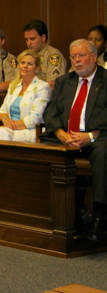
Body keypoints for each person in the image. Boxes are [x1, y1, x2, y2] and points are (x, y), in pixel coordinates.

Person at [40, 39, 107, 242]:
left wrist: (90, 136)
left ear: (94, 57)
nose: (78, 61)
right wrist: (61, 134)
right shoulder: (64, 81)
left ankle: (100, 217)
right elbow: (50, 112)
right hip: (67, 138)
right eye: (74, 57)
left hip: (98, 137)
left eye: (82, 55)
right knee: (42, 150)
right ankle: (65, 212)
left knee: (103, 153)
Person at [0, 50, 51, 142]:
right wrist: (6, 120)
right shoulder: (13, 85)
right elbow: (2, 110)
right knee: (0, 134)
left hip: (31, 131)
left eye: (30, 64)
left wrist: (11, 126)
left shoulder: (43, 87)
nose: (25, 66)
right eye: (23, 63)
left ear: (37, 69)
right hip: (8, 130)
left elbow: (35, 118)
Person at [23, 19, 67, 88]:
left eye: (32, 39)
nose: (29, 43)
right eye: (26, 40)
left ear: (43, 37)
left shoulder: (53, 55)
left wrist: (31, 91)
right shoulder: (26, 56)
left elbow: (53, 84)